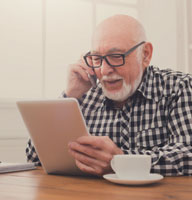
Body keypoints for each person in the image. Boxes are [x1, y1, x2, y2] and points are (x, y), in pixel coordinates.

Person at [26, 14, 192, 176]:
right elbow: (35, 157)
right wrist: (70, 95)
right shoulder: (84, 96)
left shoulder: (177, 88)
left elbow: (188, 153)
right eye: (97, 58)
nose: (104, 70)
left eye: (115, 56)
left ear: (145, 54)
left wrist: (121, 161)